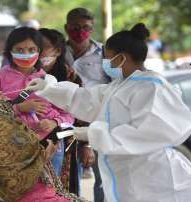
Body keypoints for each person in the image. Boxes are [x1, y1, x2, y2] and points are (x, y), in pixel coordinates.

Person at [26, 23, 191, 202]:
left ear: (122, 57)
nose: (105, 64)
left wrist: (93, 133)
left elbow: (149, 133)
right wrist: (49, 88)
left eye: (107, 58)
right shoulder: (121, 85)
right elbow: (85, 99)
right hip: (129, 175)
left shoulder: (153, 88)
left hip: (152, 176)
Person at [0, 89, 88, 202]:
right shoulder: (3, 127)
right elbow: (19, 174)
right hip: (33, 196)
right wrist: (46, 154)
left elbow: (15, 164)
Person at [0, 27, 74, 176]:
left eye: (31, 49)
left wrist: (54, 122)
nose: (26, 54)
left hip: (49, 146)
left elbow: (69, 115)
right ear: (10, 50)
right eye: (19, 50)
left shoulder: (48, 80)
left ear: (39, 51)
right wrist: (19, 108)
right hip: (10, 149)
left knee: (48, 194)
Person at [39, 28, 95, 196]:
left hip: (65, 144)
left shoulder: (69, 76)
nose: (38, 51)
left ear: (57, 51)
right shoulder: (27, 74)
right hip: (30, 143)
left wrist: (87, 145)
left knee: (63, 190)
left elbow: (82, 114)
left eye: (43, 47)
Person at [64, 8, 108, 201]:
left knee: (102, 179)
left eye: (86, 27)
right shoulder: (57, 52)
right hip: (65, 122)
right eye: (76, 27)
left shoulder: (105, 53)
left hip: (97, 122)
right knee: (67, 180)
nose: (81, 32)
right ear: (67, 28)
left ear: (92, 28)